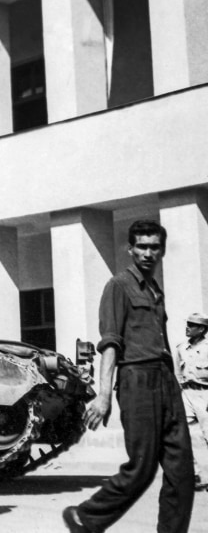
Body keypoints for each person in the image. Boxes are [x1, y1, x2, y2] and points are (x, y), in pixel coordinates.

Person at [63, 220, 194, 533]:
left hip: (166, 379)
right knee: (141, 468)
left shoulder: (155, 290)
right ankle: (86, 517)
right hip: (137, 379)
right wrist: (104, 394)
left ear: (162, 249)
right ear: (130, 249)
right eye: (142, 246)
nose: (148, 253)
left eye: (154, 247)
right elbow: (110, 342)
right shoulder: (118, 285)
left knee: (182, 473)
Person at [175, 311, 208, 490]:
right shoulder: (181, 347)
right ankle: (193, 474)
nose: (187, 328)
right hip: (187, 393)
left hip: (206, 394)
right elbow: (177, 372)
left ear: (202, 329)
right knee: (179, 434)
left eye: (192, 325)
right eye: (187, 324)